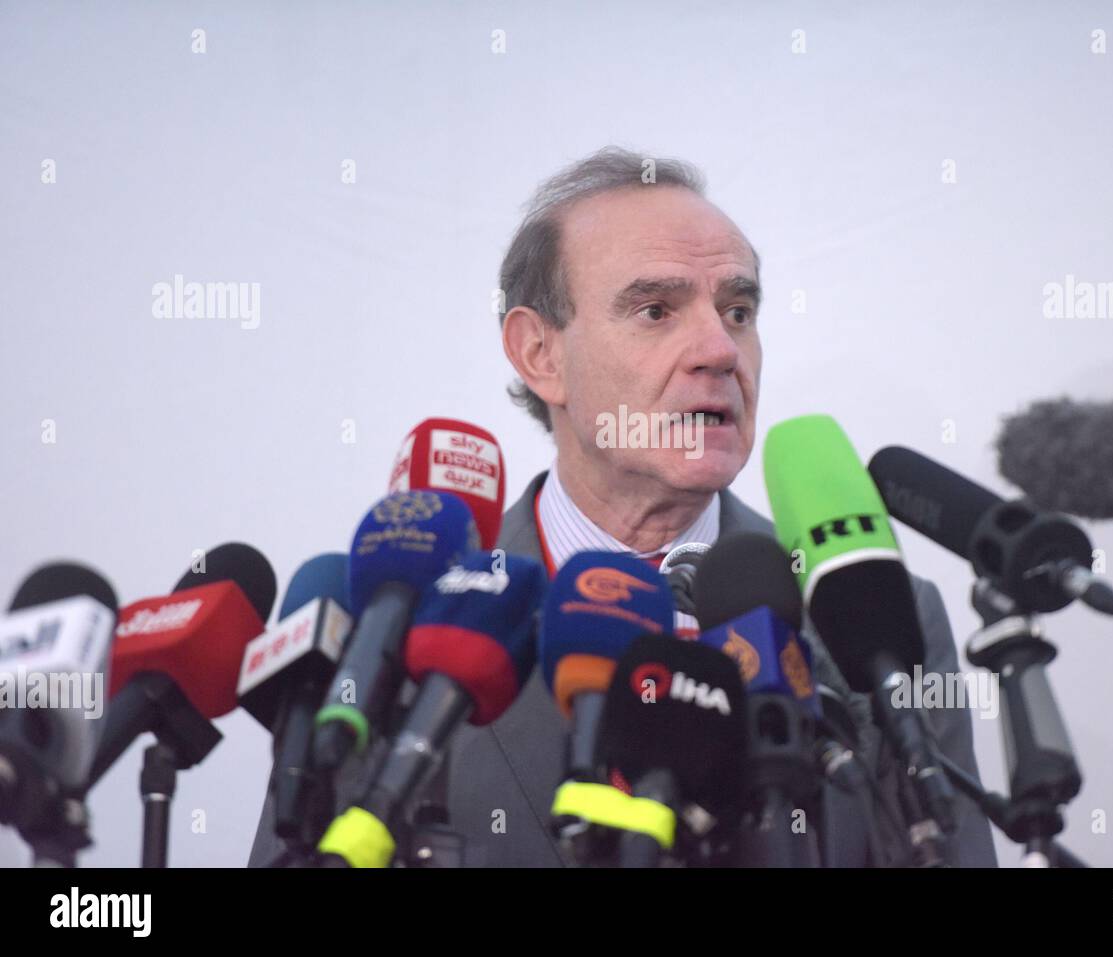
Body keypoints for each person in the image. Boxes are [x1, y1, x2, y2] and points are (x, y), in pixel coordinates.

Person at [248, 146, 997, 867]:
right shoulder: (394, 625)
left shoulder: (876, 620)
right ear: (541, 354)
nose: (719, 349)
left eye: (738, 310)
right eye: (656, 310)